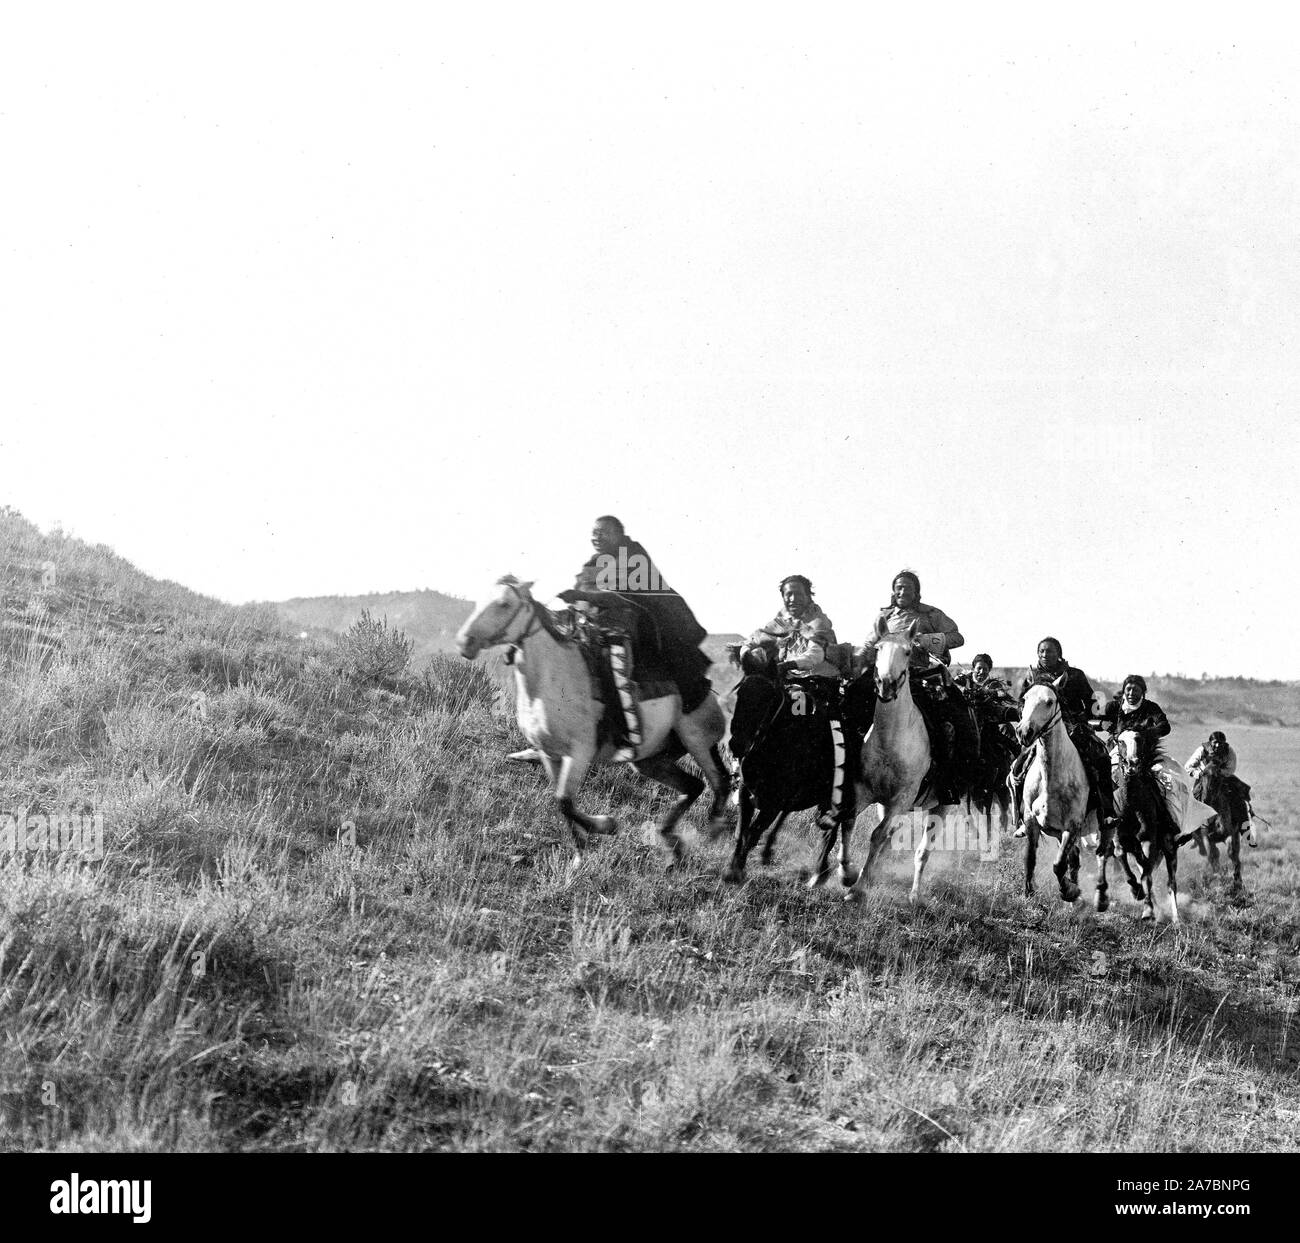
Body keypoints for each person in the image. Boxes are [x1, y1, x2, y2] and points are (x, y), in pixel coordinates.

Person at [556, 515, 712, 761]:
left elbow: (624, 598)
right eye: (594, 533)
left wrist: (583, 596)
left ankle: (625, 734)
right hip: (593, 630)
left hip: (632, 632)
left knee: (612, 667)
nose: (597, 537)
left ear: (620, 534)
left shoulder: (633, 557)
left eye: (604, 532)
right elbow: (582, 600)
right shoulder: (594, 563)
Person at [737, 575, 853, 829]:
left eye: (797, 594)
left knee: (835, 734)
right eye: (787, 594)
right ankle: (741, 779)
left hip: (819, 686)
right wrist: (747, 650)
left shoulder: (819, 621)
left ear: (809, 595)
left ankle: (833, 802)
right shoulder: (781, 620)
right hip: (788, 685)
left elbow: (815, 654)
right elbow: (758, 637)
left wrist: (788, 664)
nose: (791, 599)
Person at [859, 570, 978, 806]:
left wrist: (927, 640)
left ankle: (947, 782)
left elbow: (957, 637)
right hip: (884, 679)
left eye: (908, 588)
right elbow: (868, 644)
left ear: (916, 592)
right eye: (899, 587)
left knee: (950, 721)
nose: (903, 592)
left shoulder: (929, 614)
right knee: (849, 710)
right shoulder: (884, 616)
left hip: (921, 678)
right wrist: (857, 659)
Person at [1011, 637, 1118, 849]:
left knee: (1102, 759)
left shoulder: (1074, 675)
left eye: (1049, 651)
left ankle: (1106, 813)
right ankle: (1023, 817)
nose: (1044, 655)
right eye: (1041, 651)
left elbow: (1090, 702)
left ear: (1058, 653)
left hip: (1075, 728)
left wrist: (1093, 716)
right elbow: (1022, 703)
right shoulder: (1032, 676)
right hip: (1042, 731)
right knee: (1017, 768)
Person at [1186, 730, 1257, 844]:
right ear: (1210, 742)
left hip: (1223, 778)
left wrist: (1219, 772)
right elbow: (1188, 766)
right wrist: (1199, 773)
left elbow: (1231, 769)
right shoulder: (1202, 750)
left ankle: (1246, 832)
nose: (1218, 745)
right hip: (1204, 778)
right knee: (1190, 800)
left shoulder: (1229, 752)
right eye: (1215, 742)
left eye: (1221, 742)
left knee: (1239, 801)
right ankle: (1186, 832)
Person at [1098, 674, 1171, 742]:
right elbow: (1091, 721)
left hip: (1144, 749)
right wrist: (1101, 724)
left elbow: (1165, 727)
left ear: (1142, 692)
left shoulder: (1151, 707)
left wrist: (1144, 734)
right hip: (1117, 747)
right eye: (1128, 689)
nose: (1131, 693)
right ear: (1124, 691)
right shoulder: (1112, 706)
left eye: (1135, 690)